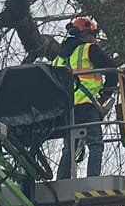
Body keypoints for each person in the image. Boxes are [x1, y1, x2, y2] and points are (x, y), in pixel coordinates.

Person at [47, 14, 119, 178]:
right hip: (86, 105)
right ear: (84, 35)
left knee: (69, 148)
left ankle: (61, 181)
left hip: (66, 108)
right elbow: (111, 69)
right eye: (92, 36)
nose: (94, 39)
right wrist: (106, 93)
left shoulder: (58, 59)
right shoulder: (89, 49)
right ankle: (93, 179)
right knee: (96, 143)